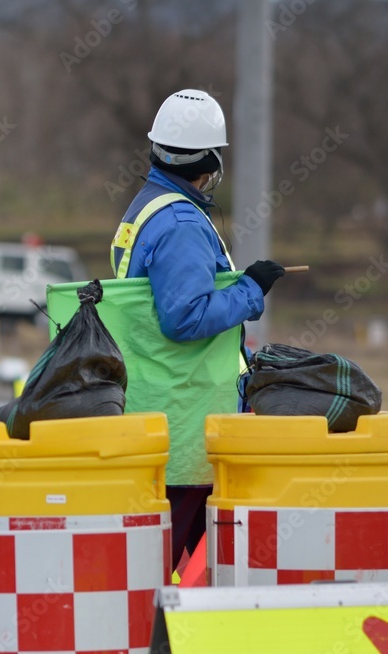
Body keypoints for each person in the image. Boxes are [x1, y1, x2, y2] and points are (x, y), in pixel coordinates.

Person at [110, 89, 286, 570]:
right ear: (210, 163)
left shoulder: (145, 207)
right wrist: (251, 289)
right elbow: (184, 317)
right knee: (176, 564)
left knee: (169, 560)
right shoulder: (180, 222)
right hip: (185, 414)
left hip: (155, 401)